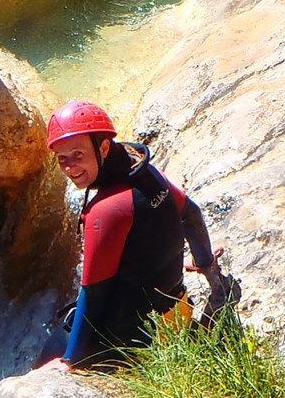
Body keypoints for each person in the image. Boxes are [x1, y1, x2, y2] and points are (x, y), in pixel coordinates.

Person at [39, 100, 233, 370]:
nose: (70, 167)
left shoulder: (106, 210)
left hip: (136, 339)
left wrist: (70, 361)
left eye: (78, 155)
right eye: (62, 159)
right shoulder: (147, 173)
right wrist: (206, 264)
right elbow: (191, 214)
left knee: (47, 355)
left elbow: (94, 293)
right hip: (177, 314)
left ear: (104, 148)